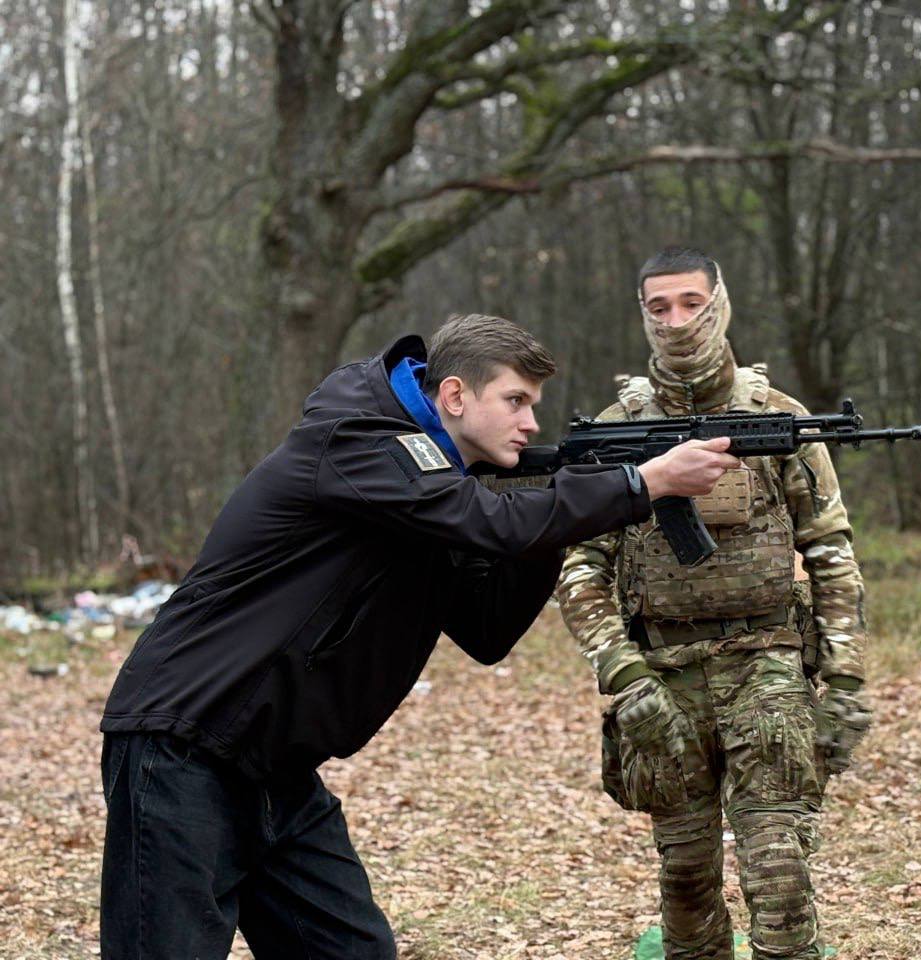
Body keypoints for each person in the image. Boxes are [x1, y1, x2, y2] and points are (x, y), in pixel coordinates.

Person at [98, 315, 739, 960]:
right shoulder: (359, 441)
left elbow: (488, 627)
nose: (531, 424)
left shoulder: (434, 493)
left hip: (278, 768)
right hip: (186, 745)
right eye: (515, 401)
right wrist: (640, 483)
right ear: (456, 396)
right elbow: (487, 520)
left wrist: (555, 519)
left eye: (533, 406)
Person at [556, 249, 873, 959]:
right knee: (687, 877)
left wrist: (845, 679)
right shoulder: (616, 430)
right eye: (659, 306)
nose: (676, 321)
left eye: (691, 303)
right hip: (663, 675)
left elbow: (830, 551)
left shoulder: (781, 420)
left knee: (780, 870)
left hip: (766, 662)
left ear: (720, 302)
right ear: (642, 313)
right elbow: (580, 567)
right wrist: (624, 676)